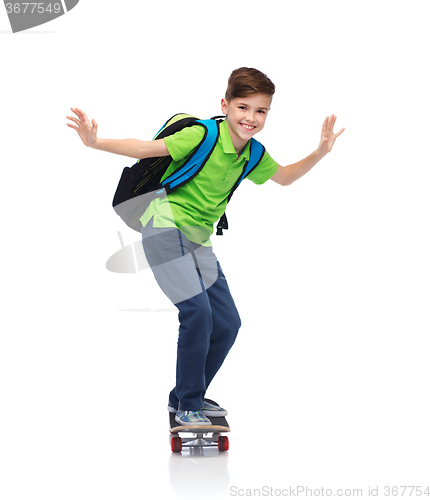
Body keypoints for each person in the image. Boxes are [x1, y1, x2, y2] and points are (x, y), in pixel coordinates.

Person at [67, 67, 345, 426]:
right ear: (225, 105)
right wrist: (95, 142)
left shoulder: (254, 154)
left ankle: (184, 398)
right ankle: (188, 405)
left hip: (199, 242)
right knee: (198, 313)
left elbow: (286, 177)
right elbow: (144, 148)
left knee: (228, 323)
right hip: (163, 229)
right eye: (243, 107)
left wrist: (321, 151)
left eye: (260, 111)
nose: (251, 118)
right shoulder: (202, 135)